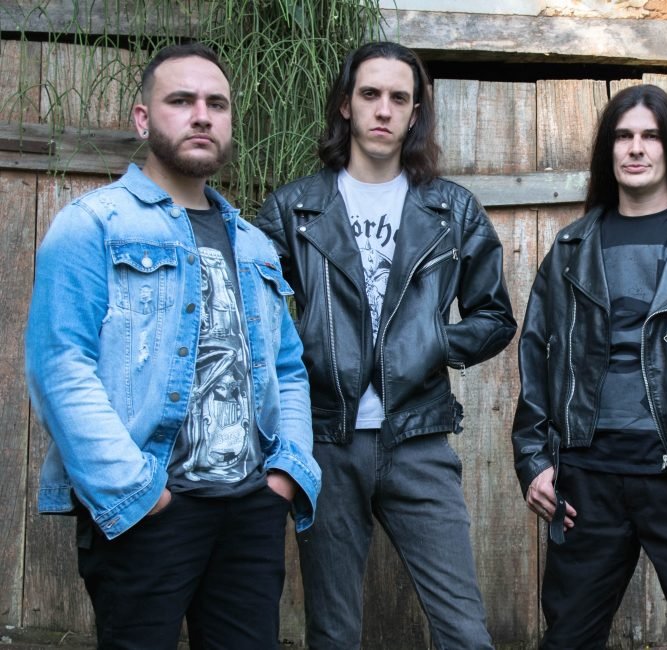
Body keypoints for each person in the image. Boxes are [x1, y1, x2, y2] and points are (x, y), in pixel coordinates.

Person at [25, 43, 320, 649]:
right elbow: (59, 367)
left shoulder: (255, 245)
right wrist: (137, 491)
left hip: (248, 513)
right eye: (181, 101)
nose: (202, 115)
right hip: (149, 511)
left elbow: (288, 368)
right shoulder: (93, 224)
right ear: (143, 118)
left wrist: (285, 475)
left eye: (217, 103)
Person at [254, 41, 516, 648]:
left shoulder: (451, 210)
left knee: (464, 630)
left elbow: (494, 317)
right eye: (370, 94)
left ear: (415, 111)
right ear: (346, 104)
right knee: (333, 632)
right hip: (326, 440)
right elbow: (256, 322)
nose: (383, 109)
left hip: (418, 437)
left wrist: (434, 341)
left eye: (399, 98)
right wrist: (307, 352)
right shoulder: (294, 209)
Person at [511, 84, 667, 649]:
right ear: (608, 149)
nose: (636, 148)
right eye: (623, 136)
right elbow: (536, 352)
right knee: (569, 638)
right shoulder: (570, 248)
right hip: (587, 477)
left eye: (650, 136)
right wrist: (533, 459)